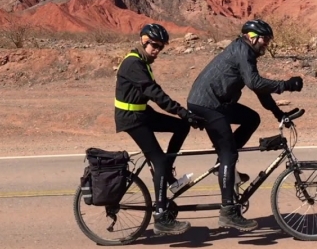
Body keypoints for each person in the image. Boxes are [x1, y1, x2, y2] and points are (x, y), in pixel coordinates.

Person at [186, 18, 303, 231]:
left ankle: (225, 163)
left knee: (251, 119)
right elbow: (254, 82)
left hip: (215, 103)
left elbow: (259, 89)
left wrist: (278, 113)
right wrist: (285, 85)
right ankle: (228, 212)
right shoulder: (243, 51)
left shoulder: (244, 51)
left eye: (268, 40)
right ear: (252, 37)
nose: (266, 44)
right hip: (207, 105)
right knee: (229, 155)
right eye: (265, 39)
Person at [115, 23, 206, 235]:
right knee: (159, 159)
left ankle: (166, 174)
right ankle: (161, 217)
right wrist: (183, 111)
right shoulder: (133, 64)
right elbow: (155, 93)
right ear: (144, 41)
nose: (157, 50)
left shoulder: (143, 62)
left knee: (182, 127)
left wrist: (187, 117)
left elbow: (153, 95)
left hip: (141, 113)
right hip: (132, 118)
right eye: (154, 45)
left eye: (161, 47)